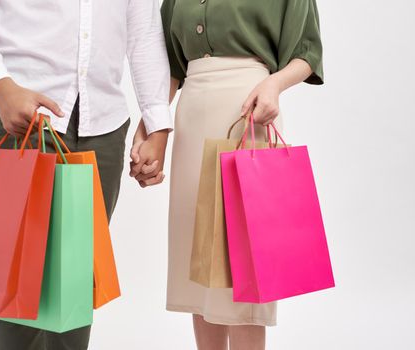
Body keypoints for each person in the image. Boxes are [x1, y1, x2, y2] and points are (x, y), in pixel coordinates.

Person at [0, 0, 172, 348]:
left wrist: (157, 125)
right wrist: (0, 86)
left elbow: (144, 29)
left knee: (74, 283)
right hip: (21, 116)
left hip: (102, 124)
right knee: (18, 286)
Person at [130, 0, 324, 349]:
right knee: (200, 262)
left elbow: (307, 51)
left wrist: (275, 84)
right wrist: (148, 126)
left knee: (244, 269)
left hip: (249, 110)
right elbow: (172, 69)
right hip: (193, 114)